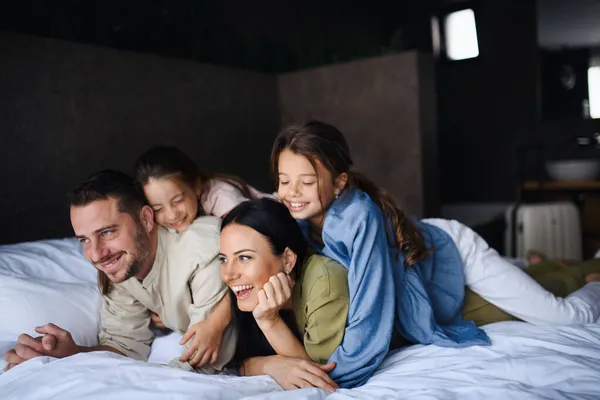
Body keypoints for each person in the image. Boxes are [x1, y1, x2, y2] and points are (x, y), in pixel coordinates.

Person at [271, 120, 600, 388]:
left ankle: (594, 279)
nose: (292, 193)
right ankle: (550, 266)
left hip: (451, 250)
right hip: (421, 255)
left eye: (307, 182)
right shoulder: (295, 220)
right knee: (524, 287)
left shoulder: (356, 216)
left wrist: (341, 370)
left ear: (339, 183)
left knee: (563, 316)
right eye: (284, 181)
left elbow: (370, 302)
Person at [4, 170, 237, 373]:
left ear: (146, 219)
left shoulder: (202, 251)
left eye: (107, 233)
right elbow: (124, 346)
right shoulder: (123, 267)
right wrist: (70, 355)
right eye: (84, 240)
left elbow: (206, 361)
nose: (96, 254)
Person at [218, 198, 344, 392]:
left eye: (244, 257)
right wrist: (268, 364)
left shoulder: (324, 281)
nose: (228, 275)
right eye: (224, 259)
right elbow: (241, 359)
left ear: (287, 259)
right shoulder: (250, 292)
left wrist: (270, 322)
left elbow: (320, 378)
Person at [135, 145, 272, 231]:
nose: (171, 215)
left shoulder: (220, 196)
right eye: (157, 209)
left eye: (177, 201)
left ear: (196, 186)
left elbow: (252, 229)